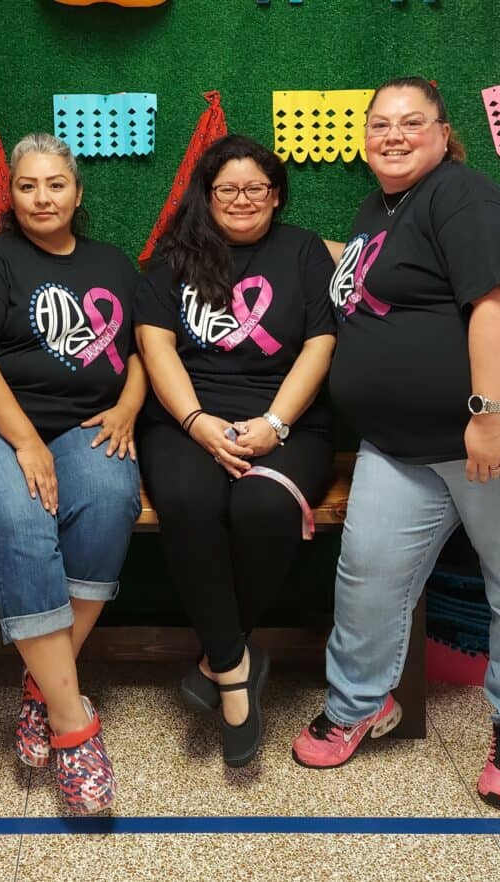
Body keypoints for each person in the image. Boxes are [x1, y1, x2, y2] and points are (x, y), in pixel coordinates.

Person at [291, 77, 500, 810]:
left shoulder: (465, 198)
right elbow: (383, 282)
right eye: (380, 124)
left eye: (410, 122)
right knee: (368, 574)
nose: (392, 135)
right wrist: (285, 243)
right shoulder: (382, 208)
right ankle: (361, 705)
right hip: (401, 446)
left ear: (444, 133)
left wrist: (488, 415)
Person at [0, 133, 144, 815]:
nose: (42, 198)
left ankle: (41, 689)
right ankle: (75, 729)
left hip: (81, 424)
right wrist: (25, 442)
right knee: (21, 517)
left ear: (78, 192)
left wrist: (128, 407)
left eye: (55, 185)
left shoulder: (113, 265)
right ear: (10, 195)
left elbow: (141, 354)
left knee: (110, 496)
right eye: (27, 186)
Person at [135, 134, 337, 767]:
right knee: (190, 502)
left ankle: (215, 656)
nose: (243, 200)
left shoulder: (304, 252)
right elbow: (156, 344)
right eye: (228, 189)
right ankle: (233, 673)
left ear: (276, 196)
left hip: (291, 421)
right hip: (183, 419)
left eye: (257, 188)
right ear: (208, 195)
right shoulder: (174, 255)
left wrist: (274, 423)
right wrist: (197, 421)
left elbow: (320, 345)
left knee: (261, 509)